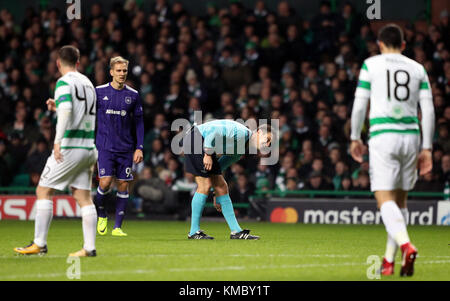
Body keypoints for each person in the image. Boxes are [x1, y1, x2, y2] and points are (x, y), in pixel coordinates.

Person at [350, 24, 435, 276]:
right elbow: (428, 110)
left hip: (382, 135)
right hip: (411, 136)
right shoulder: (418, 69)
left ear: (380, 44)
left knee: (383, 198)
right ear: (404, 45)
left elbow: (359, 105)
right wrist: (427, 147)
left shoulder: (370, 65)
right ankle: (388, 261)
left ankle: (407, 245)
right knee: (400, 200)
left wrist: (355, 136)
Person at [14, 46, 98, 257]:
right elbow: (78, 111)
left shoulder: (63, 82)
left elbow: (68, 111)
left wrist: (57, 141)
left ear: (58, 63)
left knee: (43, 191)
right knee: (83, 197)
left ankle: (39, 243)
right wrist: (56, 108)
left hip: (70, 147)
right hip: (88, 147)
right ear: (78, 62)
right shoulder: (88, 83)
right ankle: (89, 248)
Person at [183, 119, 273, 239]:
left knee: (221, 186)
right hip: (197, 139)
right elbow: (213, 131)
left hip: (201, 141)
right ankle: (194, 231)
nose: (267, 145)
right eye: (267, 140)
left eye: (269, 143)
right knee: (204, 184)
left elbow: (219, 168)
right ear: (258, 132)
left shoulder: (240, 150)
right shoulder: (242, 133)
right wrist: (208, 154)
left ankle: (236, 231)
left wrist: (216, 193)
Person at [93, 56, 144, 237]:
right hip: (105, 146)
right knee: (105, 182)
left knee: (123, 185)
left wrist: (139, 147)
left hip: (126, 148)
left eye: (124, 71)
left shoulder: (133, 95)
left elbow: (139, 123)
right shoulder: (98, 92)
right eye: (119, 71)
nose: (122, 74)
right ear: (111, 72)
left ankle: (117, 227)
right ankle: (101, 214)